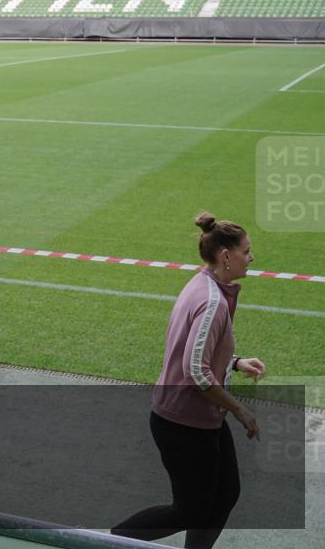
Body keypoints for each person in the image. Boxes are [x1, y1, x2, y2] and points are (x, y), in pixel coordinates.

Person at [111, 213, 266, 549]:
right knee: (190, 509)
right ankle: (102, 541)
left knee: (225, 494)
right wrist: (241, 411)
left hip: (199, 417)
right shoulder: (212, 302)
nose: (251, 257)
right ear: (226, 256)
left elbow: (196, 350)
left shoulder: (204, 284)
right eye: (247, 251)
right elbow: (196, 371)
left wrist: (236, 363)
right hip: (182, 422)